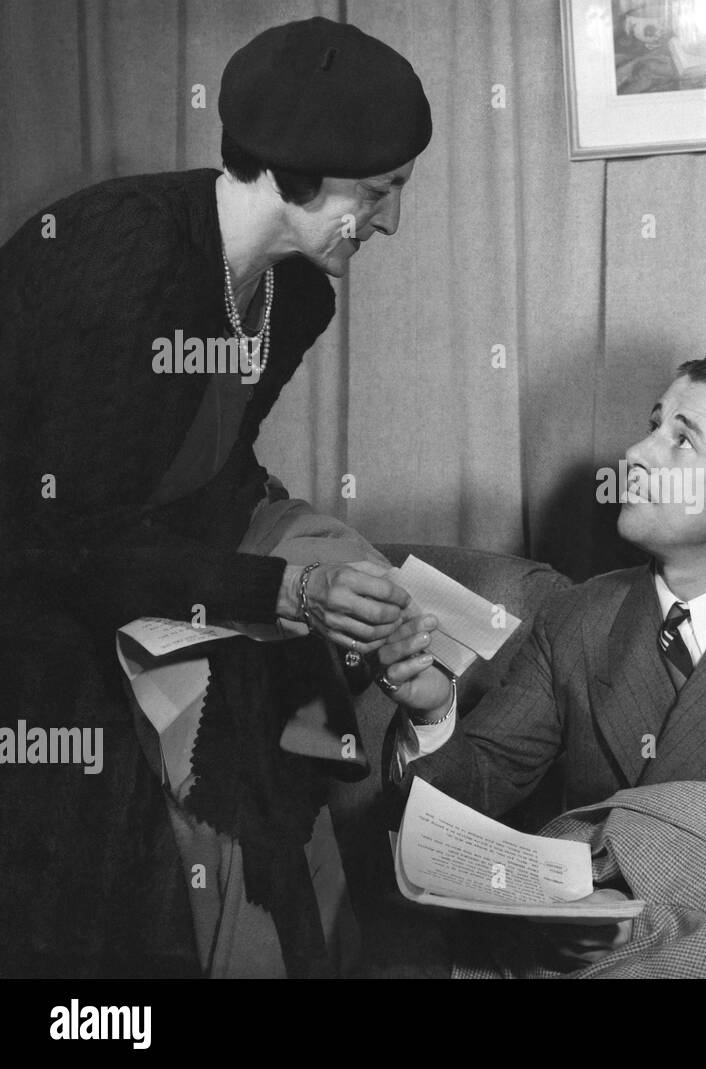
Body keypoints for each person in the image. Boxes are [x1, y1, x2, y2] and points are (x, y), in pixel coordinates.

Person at [0, 17, 436, 977]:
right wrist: (273, 591)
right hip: (29, 588)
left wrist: (309, 569)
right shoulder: (121, 258)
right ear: (297, 169)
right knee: (108, 799)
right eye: (380, 190)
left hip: (129, 571)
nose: (392, 222)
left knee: (274, 712)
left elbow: (214, 467)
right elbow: (53, 537)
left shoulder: (301, 291)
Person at [379, 354, 706, 891]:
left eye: (682, 440)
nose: (635, 454)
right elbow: (472, 795)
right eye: (654, 426)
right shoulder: (577, 617)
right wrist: (433, 710)